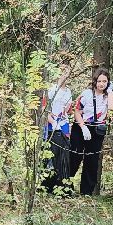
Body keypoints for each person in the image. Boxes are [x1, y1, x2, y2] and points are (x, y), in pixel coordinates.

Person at [73, 67, 113, 195]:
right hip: (81, 127)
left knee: (91, 160)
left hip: (97, 130)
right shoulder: (86, 94)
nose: (102, 84)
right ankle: (65, 185)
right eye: (99, 81)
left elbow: (112, 107)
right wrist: (82, 126)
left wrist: (110, 92)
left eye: (105, 81)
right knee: (75, 156)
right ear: (95, 81)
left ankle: (86, 192)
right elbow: (77, 111)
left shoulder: (108, 95)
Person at [40, 65, 75, 193]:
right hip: (51, 126)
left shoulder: (68, 92)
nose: (64, 75)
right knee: (50, 154)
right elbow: (44, 109)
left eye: (67, 73)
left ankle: (62, 186)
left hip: (63, 125)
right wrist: (53, 122)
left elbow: (68, 110)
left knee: (64, 156)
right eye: (62, 73)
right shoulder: (51, 90)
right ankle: (46, 185)